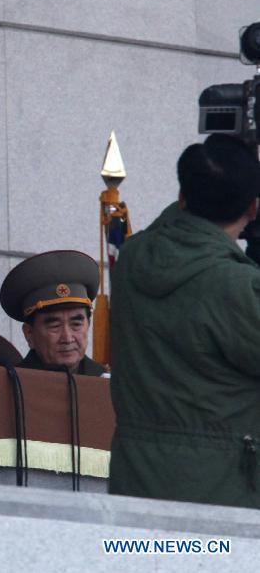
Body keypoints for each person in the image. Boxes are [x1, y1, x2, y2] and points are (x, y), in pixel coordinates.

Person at [109, 134, 260, 508]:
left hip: (135, 485)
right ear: (253, 208)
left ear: (182, 196)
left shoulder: (132, 260)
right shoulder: (235, 285)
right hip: (220, 495)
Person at [0, 250, 104, 376]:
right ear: (29, 334)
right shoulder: (10, 385)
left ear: (88, 325)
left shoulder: (109, 383)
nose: (67, 338)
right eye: (54, 326)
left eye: (76, 324)